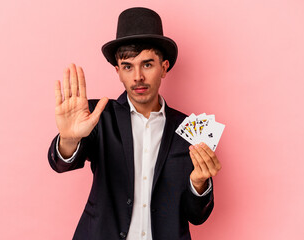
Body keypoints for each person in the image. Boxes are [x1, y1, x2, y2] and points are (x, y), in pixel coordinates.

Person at [48, 7, 221, 240]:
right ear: (118, 71)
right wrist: (69, 139)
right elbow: (61, 164)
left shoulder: (187, 130)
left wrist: (199, 184)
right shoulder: (97, 116)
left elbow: (197, 216)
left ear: (164, 68)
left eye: (147, 64)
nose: (138, 76)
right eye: (128, 66)